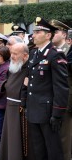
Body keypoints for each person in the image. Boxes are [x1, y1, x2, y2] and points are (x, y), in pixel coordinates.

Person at [22, 17, 69, 160]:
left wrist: (57, 114)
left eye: (37, 32)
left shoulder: (55, 55)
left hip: (48, 112)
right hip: (34, 108)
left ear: (48, 35)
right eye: (34, 32)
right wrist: (25, 103)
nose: (33, 35)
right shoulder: (34, 53)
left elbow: (61, 87)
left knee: (53, 149)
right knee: (37, 148)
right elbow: (28, 81)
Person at [0, 43, 29, 160]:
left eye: (15, 54)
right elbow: (8, 81)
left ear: (25, 56)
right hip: (10, 106)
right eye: (11, 53)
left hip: (20, 108)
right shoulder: (14, 66)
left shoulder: (29, 68)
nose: (12, 56)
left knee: (17, 141)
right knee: (9, 139)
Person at [50, 19, 72, 160]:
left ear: (64, 35)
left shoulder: (68, 51)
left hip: (66, 99)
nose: (52, 34)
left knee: (64, 135)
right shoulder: (50, 51)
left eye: (55, 31)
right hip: (51, 97)